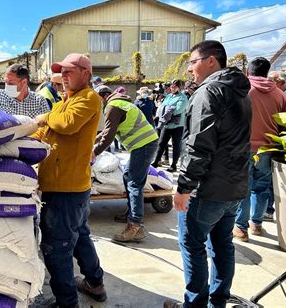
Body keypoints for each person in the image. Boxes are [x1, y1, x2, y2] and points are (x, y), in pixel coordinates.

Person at [163, 40, 252, 308]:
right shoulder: (240, 92)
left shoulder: (208, 92)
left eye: (193, 62)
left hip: (208, 189)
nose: (190, 69)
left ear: (211, 60)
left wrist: (184, 188)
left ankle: (195, 304)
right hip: (234, 187)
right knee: (223, 246)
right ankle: (218, 302)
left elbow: (198, 144)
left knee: (193, 246)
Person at [31, 53, 106, 308]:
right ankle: (95, 283)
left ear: (86, 73)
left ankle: (66, 302)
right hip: (69, 186)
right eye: (61, 72)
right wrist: (24, 135)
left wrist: (44, 118)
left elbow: (67, 124)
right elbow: (46, 130)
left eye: (69, 71)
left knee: (56, 248)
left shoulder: (89, 98)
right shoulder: (65, 100)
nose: (63, 76)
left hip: (65, 188)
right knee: (80, 237)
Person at [233, 58, 286, 242]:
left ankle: (241, 228)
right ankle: (256, 223)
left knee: (244, 188)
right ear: (267, 72)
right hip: (268, 148)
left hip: (244, 147)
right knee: (262, 187)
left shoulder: (242, 90)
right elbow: (285, 124)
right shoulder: (280, 95)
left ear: (248, 72)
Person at [93, 91, 158, 241]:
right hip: (144, 144)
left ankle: (135, 225)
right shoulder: (121, 103)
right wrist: (91, 140)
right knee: (128, 176)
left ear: (102, 97)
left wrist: (94, 152)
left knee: (134, 183)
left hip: (143, 145)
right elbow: (106, 132)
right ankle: (132, 214)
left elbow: (108, 136)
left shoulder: (112, 106)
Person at [264, 71, 286, 220]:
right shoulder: (279, 95)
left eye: (272, 80)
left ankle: (267, 210)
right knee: (264, 182)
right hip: (270, 143)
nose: (269, 83)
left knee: (268, 182)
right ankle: (262, 213)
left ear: (280, 83)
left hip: (278, 144)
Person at [152, 79, 188, 172]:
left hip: (177, 125)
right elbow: (161, 107)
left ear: (179, 88)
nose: (172, 89)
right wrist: (167, 110)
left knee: (176, 145)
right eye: (171, 87)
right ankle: (156, 161)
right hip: (166, 124)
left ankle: (174, 165)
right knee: (161, 143)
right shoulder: (168, 96)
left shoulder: (183, 97)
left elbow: (178, 110)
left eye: (175, 87)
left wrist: (166, 110)